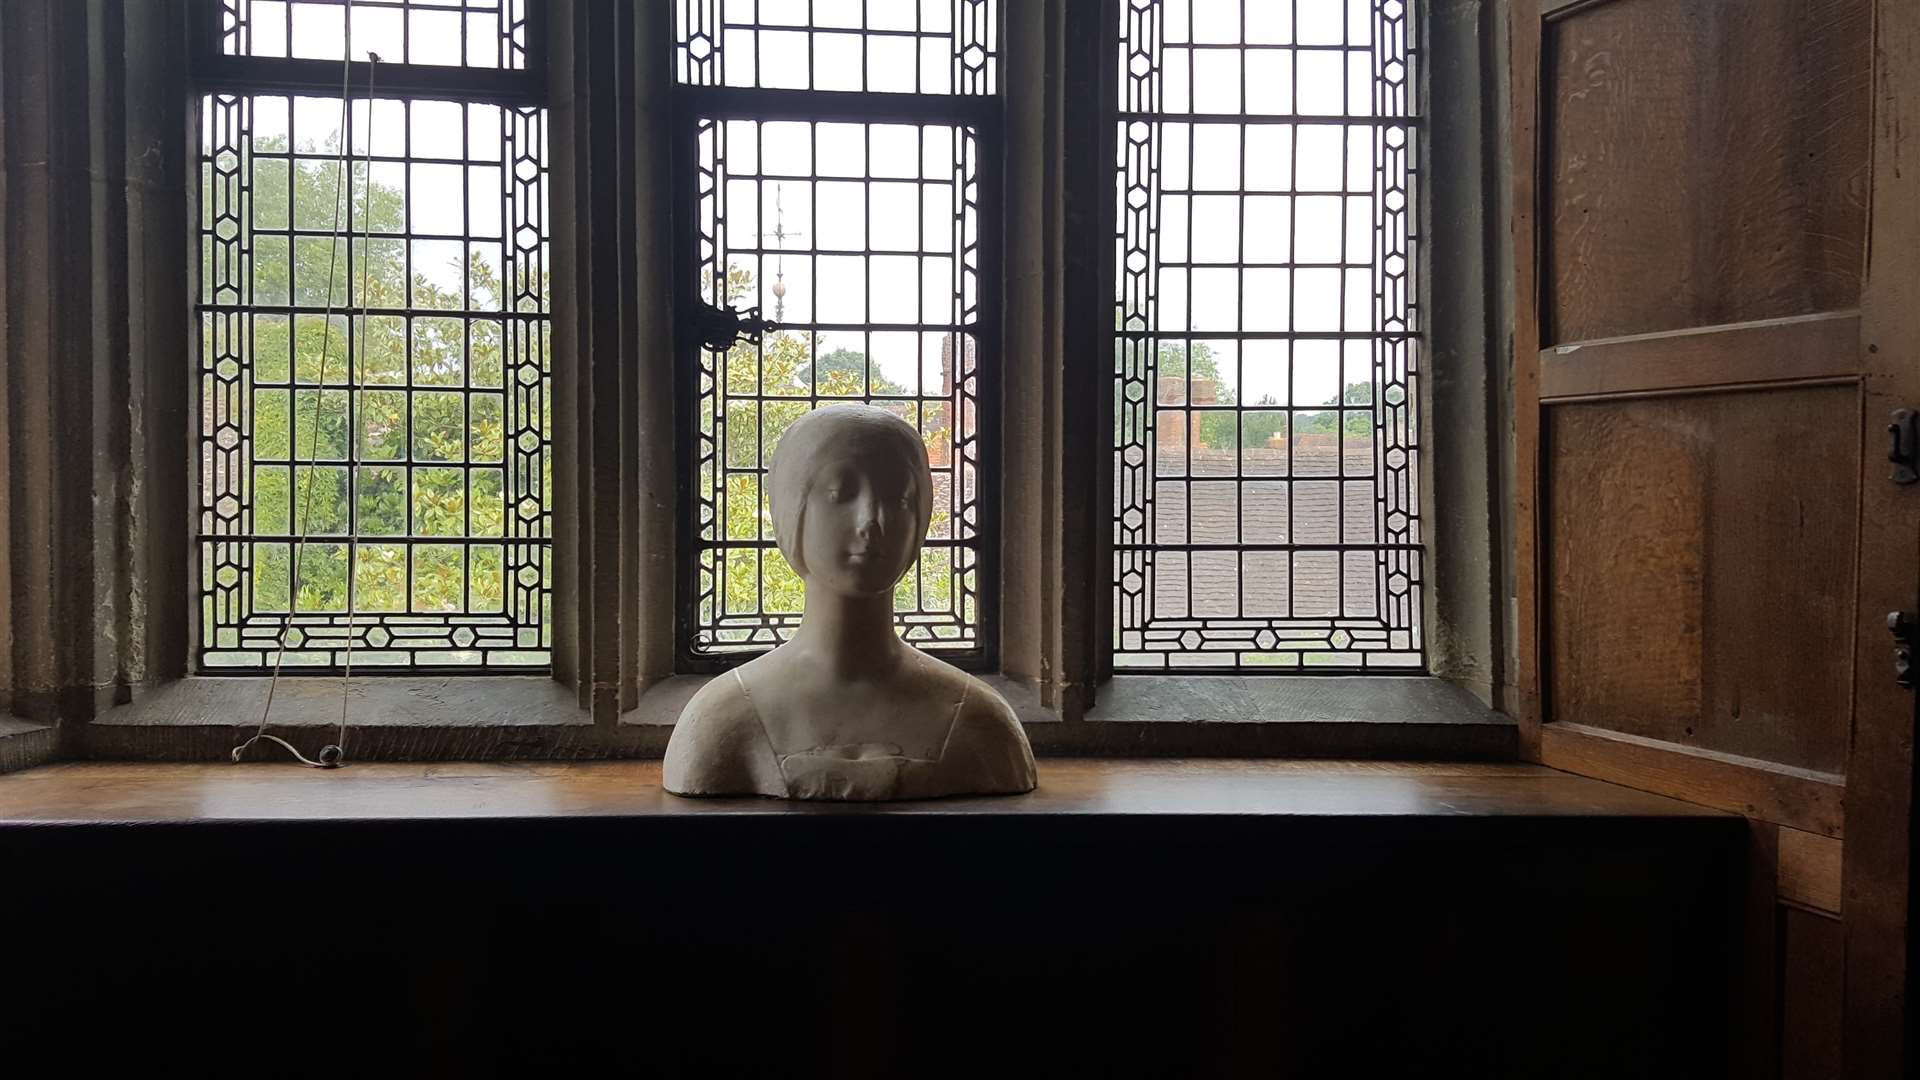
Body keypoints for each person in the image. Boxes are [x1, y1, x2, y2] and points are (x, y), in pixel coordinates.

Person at [664, 403, 1037, 800]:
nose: (872, 520)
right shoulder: (720, 722)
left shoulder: (981, 724)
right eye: (840, 493)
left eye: (899, 498)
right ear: (792, 508)